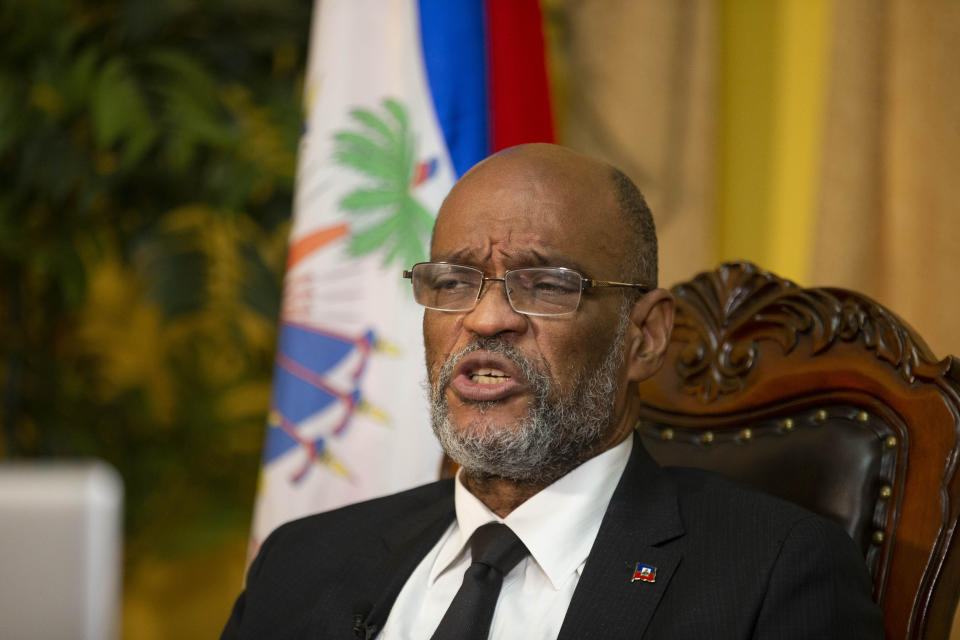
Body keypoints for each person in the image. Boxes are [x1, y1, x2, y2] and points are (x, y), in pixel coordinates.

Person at [221, 144, 883, 639]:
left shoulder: (771, 573)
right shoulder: (303, 562)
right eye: (453, 282)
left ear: (644, 337)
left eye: (545, 285)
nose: (484, 320)